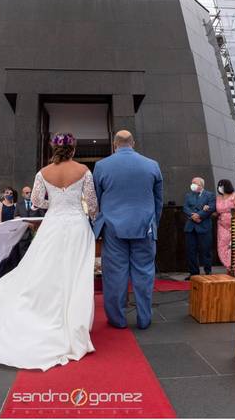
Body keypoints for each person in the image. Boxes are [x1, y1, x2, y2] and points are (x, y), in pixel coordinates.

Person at [0, 133, 99, 370]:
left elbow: (36, 201)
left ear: (52, 148)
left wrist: (56, 204)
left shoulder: (43, 172)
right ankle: (73, 323)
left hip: (53, 224)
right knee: (75, 274)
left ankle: (41, 313)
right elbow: (92, 202)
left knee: (45, 270)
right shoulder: (84, 170)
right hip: (77, 225)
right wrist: (83, 210)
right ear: (74, 148)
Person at [93, 130, 162, 329]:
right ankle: (144, 318)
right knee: (144, 272)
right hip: (145, 226)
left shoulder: (101, 166)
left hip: (113, 227)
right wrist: (153, 223)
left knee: (114, 274)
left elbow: (96, 200)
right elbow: (158, 201)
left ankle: (117, 319)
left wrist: (99, 225)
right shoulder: (152, 165)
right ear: (134, 143)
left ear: (114, 145)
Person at [182, 177, 216, 278]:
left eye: (194, 183)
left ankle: (208, 271)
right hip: (190, 227)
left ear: (201, 185)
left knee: (206, 250)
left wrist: (199, 215)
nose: (192, 184)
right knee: (191, 251)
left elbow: (211, 207)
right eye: (192, 182)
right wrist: (193, 216)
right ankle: (193, 273)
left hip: (204, 226)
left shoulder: (210, 195)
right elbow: (185, 207)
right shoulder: (188, 195)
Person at [215, 179, 235, 276]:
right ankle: (229, 265)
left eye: (222, 185)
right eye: (219, 185)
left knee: (234, 247)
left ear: (227, 186)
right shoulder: (218, 197)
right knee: (222, 247)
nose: (220, 187)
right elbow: (217, 211)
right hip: (222, 226)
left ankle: (232, 268)